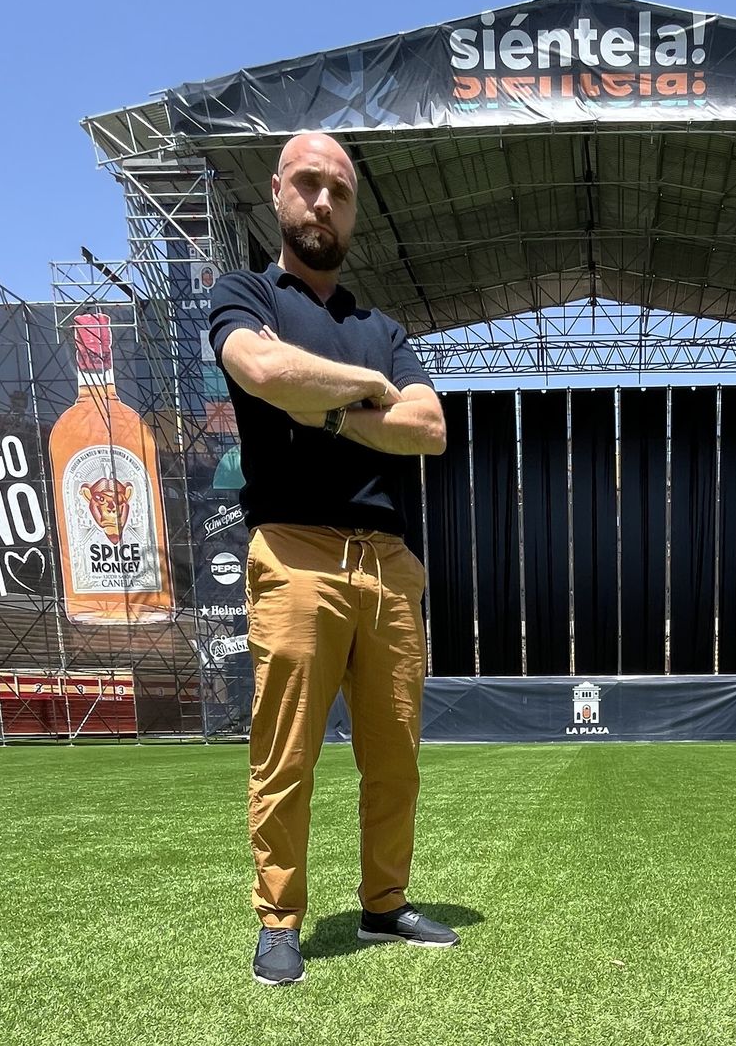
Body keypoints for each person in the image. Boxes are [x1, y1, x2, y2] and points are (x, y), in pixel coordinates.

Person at [207, 132, 452, 986]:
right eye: (307, 185)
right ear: (277, 192)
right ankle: (279, 918)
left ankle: (384, 904)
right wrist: (364, 390)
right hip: (296, 550)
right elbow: (261, 367)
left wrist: (329, 408)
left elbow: (428, 427)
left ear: (353, 210)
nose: (322, 202)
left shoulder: (380, 327)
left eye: (338, 191)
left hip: (388, 563)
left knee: (396, 756)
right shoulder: (246, 294)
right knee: (287, 751)